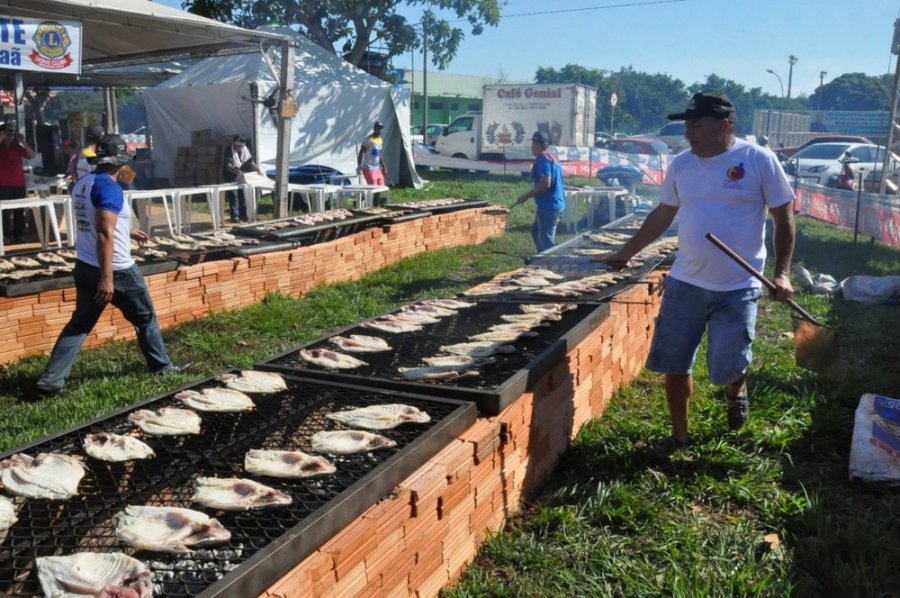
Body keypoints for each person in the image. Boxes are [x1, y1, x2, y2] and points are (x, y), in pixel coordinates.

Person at [597, 91, 796, 448]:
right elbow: (663, 214)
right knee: (675, 363)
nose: (689, 133)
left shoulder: (758, 160)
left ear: (724, 125)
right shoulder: (682, 164)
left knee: (728, 364)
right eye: (687, 125)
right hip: (685, 281)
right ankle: (680, 435)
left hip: (739, 284)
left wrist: (782, 273)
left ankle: (737, 389)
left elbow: (785, 217)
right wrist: (627, 251)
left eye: (697, 125)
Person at [36, 135, 186, 396]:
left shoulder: (83, 182)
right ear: (120, 161)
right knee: (145, 318)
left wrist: (126, 230)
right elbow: (104, 233)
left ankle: (51, 381)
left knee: (80, 324)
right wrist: (107, 278)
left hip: (84, 265)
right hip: (116, 270)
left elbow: (97, 221)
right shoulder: (109, 187)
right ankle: (162, 368)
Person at [512, 131, 566, 253]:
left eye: (533, 144)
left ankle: (550, 264)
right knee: (536, 232)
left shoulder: (543, 159)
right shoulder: (552, 158)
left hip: (549, 207)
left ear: (536, 144)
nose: (531, 147)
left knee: (546, 243)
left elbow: (545, 184)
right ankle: (540, 259)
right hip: (553, 205)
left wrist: (526, 196)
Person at [0, 121, 37, 244]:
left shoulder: (17, 148)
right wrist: (1, 138)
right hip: (3, 184)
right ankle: (5, 235)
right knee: (4, 212)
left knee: (19, 211)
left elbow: (32, 155)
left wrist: (23, 141)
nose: (9, 136)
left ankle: (19, 235)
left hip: (18, 183)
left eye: (11, 134)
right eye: (7, 133)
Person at [222, 134, 263, 222]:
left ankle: (243, 215)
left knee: (242, 194)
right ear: (234, 143)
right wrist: (237, 172)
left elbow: (250, 162)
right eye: (236, 145)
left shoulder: (244, 149)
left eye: (240, 145)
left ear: (243, 145)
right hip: (230, 175)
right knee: (233, 196)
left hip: (240, 174)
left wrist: (258, 170)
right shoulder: (229, 150)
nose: (238, 147)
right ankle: (235, 216)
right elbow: (228, 166)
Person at [357, 121, 389, 186]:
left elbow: (379, 155)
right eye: (378, 128)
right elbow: (361, 152)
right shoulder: (368, 139)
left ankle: (377, 197)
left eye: (381, 129)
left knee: (381, 186)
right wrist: (360, 165)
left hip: (377, 168)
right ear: (374, 129)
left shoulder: (380, 140)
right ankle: (366, 196)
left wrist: (384, 167)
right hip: (369, 168)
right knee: (373, 187)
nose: (380, 130)